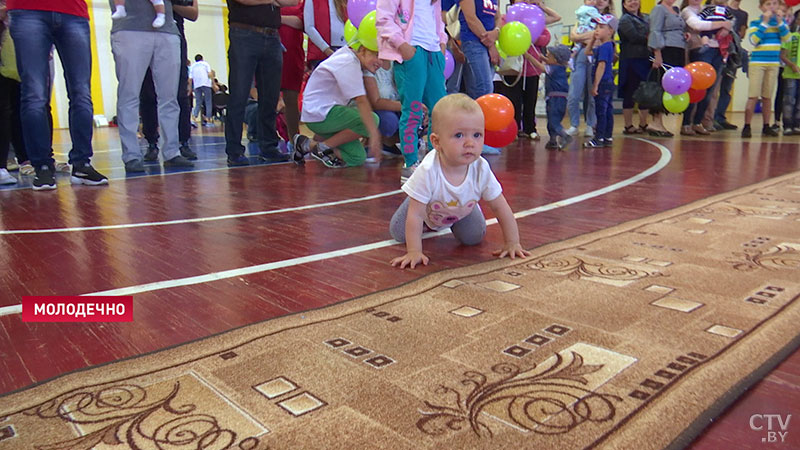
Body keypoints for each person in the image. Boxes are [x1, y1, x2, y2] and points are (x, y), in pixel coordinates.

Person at [389, 93, 530, 269]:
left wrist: (512, 242)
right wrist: (414, 251)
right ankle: (416, 197)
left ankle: (468, 204)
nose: (470, 143)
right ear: (437, 142)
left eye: (477, 135)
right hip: (425, 207)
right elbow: (416, 214)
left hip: (461, 208)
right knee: (400, 233)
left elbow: (500, 206)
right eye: (459, 135)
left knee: (473, 238)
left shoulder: (480, 168)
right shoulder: (428, 170)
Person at [8, 0, 108, 190]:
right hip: (27, 9)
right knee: (34, 94)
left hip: (72, 10)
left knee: (81, 92)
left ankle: (82, 163)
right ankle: (42, 166)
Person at [110, 0, 194, 173]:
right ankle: (131, 154)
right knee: (129, 94)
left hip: (168, 30)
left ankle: (172, 151)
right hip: (129, 27)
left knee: (170, 96)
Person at [377, 0, 448, 183]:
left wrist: (442, 41)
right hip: (412, 51)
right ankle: (410, 163)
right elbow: (384, 18)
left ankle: (436, 161)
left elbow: (438, 19)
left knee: (440, 111)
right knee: (413, 109)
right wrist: (402, 46)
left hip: (433, 53)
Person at [225, 0, 296, 167]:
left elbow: (292, 1)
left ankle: (269, 146)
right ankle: (234, 150)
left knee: (270, 97)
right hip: (243, 32)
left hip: (272, 35)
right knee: (239, 95)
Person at [291, 45, 382, 168]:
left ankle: (307, 145)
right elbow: (361, 101)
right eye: (376, 55)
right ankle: (323, 148)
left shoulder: (352, 60)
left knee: (357, 157)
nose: (380, 62)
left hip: (323, 115)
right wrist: (375, 135)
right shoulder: (348, 61)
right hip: (321, 114)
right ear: (362, 49)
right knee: (372, 120)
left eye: (383, 58)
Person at [139, 0, 198, 163]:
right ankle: (152, 142)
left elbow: (194, 13)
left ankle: (183, 142)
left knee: (179, 93)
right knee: (148, 93)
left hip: (174, 35)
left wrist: (167, 5)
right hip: (144, 33)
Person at [679, 0, 731, 136]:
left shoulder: (709, 9)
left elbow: (731, 23)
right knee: (696, 88)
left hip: (718, 50)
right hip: (700, 50)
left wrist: (727, 26)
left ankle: (697, 122)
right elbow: (698, 25)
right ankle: (686, 123)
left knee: (709, 90)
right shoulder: (687, 11)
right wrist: (723, 24)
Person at [566, 0, 615, 139]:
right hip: (581, 55)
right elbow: (573, 36)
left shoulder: (609, 20)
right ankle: (574, 125)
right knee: (574, 94)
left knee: (593, 93)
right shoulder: (584, 14)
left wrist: (585, 37)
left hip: (596, 57)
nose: (599, 1)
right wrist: (589, 36)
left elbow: (599, 39)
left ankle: (590, 125)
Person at [741, 0, 789, 138]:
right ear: (761, 7)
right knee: (753, 95)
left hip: (773, 63)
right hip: (758, 63)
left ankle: (766, 126)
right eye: (768, 4)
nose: (772, 7)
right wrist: (764, 23)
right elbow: (753, 40)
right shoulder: (756, 23)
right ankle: (747, 126)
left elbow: (787, 38)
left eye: (774, 4)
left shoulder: (781, 23)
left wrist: (780, 23)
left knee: (767, 96)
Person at [647, 0, 686, 137]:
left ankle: (659, 122)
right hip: (666, 50)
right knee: (661, 85)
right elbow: (655, 30)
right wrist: (657, 53)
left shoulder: (675, 10)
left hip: (678, 50)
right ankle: (655, 122)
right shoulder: (659, 9)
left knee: (670, 87)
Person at [617, 0, 650, 135]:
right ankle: (628, 125)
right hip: (631, 60)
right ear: (624, 4)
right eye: (629, 1)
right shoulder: (625, 19)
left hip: (645, 59)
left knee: (645, 93)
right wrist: (651, 38)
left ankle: (643, 124)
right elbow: (635, 37)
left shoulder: (646, 17)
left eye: (635, 0)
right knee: (630, 92)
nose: (633, 2)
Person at [529, 44, 571, 149]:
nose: (547, 58)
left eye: (549, 56)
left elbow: (540, 67)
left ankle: (564, 135)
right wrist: (543, 58)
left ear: (556, 60)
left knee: (553, 121)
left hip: (555, 99)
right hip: (560, 98)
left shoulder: (553, 69)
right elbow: (548, 62)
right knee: (552, 120)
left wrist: (528, 56)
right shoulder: (560, 67)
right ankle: (552, 140)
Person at [585, 14, 618, 148]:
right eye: (596, 27)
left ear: (610, 31)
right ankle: (607, 137)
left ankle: (599, 138)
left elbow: (601, 65)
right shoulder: (606, 45)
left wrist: (595, 85)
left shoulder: (605, 47)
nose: (597, 30)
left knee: (601, 111)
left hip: (603, 82)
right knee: (608, 110)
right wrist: (593, 39)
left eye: (601, 27)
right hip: (608, 82)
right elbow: (587, 52)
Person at [713, 0, 747, 130]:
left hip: (732, 52)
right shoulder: (717, 9)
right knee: (714, 87)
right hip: (719, 50)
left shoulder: (743, 14)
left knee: (726, 87)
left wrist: (734, 37)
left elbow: (742, 32)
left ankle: (720, 117)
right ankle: (710, 118)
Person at [279, 0, 304, 142]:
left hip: (293, 54)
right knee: (268, 99)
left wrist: (276, 19)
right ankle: (267, 139)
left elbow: (302, 22)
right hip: (268, 51)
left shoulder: (300, 2)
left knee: (291, 100)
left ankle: (294, 139)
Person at [304, 0, 346, 70]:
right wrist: (326, 50)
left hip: (345, 50)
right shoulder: (312, 1)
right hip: (321, 53)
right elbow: (309, 28)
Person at [780, 9, 800, 135]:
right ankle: (787, 124)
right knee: (789, 99)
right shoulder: (791, 37)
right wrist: (792, 65)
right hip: (790, 74)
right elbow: (783, 55)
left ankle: (797, 124)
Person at [190, 54, 213, 125]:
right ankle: (208, 119)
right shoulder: (205, 64)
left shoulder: (192, 66)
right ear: (202, 58)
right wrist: (213, 84)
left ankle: (194, 118)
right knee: (208, 101)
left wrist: (190, 88)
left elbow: (190, 79)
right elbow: (209, 74)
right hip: (206, 84)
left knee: (198, 102)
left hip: (197, 85)